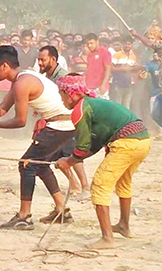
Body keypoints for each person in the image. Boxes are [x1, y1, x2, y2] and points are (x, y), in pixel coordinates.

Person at [0, 46, 75, 230]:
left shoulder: (22, 83)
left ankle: (24, 216)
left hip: (60, 125)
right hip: (63, 124)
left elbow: (20, 120)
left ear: (4, 66)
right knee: (40, 165)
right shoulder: (23, 78)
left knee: (26, 164)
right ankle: (61, 209)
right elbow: (2, 107)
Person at [55, 74, 150, 249]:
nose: (61, 100)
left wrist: (68, 161)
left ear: (71, 94)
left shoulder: (80, 110)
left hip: (126, 143)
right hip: (142, 140)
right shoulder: (94, 103)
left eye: (61, 94)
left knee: (99, 185)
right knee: (123, 182)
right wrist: (73, 159)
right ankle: (123, 226)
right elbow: (95, 144)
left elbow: (83, 146)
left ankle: (107, 238)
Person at [38, 45, 90, 196]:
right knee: (59, 153)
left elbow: (72, 100)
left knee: (68, 152)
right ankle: (77, 183)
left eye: (43, 60)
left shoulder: (63, 77)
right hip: (54, 119)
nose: (40, 63)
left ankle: (82, 185)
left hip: (66, 119)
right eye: (39, 60)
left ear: (53, 59)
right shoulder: (47, 76)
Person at [111, 36, 138, 108]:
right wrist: (122, 69)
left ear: (131, 45)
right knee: (118, 104)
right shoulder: (117, 55)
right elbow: (111, 68)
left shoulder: (133, 56)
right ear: (122, 44)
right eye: (125, 44)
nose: (127, 46)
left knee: (127, 106)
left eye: (129, 44)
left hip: (129, 84)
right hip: (118, 83)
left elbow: (133, 69)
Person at [84, 33, 112, 99]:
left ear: (97, 42)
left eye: (91, 43)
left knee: (103, 108)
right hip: (89, 86)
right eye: (88, 44)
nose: (90, 46)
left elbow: (108, 69)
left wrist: (104, 84)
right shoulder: (90, 54)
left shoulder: (105, 52)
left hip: (100, 87)